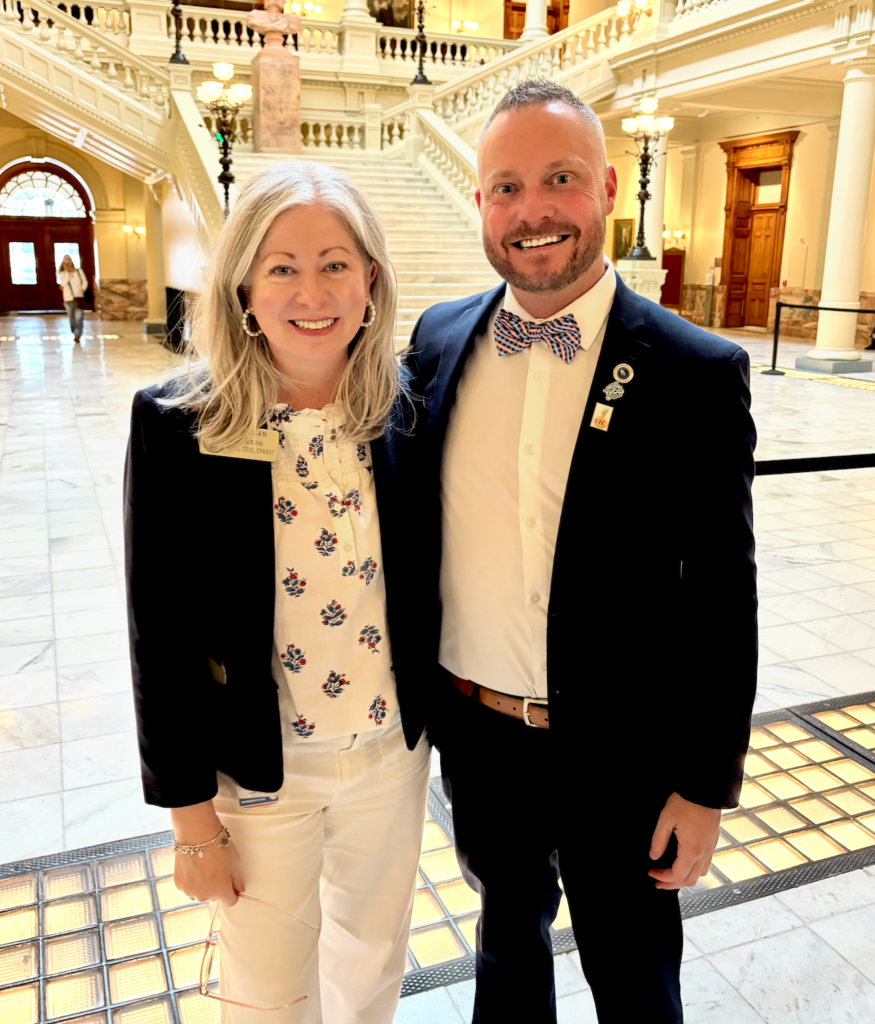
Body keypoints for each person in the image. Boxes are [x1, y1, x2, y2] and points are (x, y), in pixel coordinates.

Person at [406, 80, 758, 1023]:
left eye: (559, 179)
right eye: (507, 187)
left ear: (606, 187)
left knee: (635, 978)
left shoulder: (695, 371)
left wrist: (704, 783)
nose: (533, 211)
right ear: (479, 203)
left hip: (626, 754)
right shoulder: (436, 342)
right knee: (504, 949)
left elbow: (723, 595)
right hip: (479, 738)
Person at [124, 160, 431, 1024]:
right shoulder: (180, 423)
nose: (312, 291)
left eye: (335, 262)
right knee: (266, 991)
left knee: (372, 967)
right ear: (243, 289)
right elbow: (161, 638)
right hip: (258, 774)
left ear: (370, 278)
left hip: (388, 761)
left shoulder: (403, 408)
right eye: (282, 266)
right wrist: (192, 825)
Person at [57, 254, 87, 342]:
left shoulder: (78, 271)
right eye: (66, 259)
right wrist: (67, 273)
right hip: (68, 299)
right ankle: (74, 331)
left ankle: (77, 335)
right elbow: (63, 284)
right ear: (63, 262)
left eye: (69, 259)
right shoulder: (62, 273)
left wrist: (83, 288)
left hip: (79, 297)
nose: (68, 261)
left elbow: (84, 281)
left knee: (79, 317)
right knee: (72, 318)